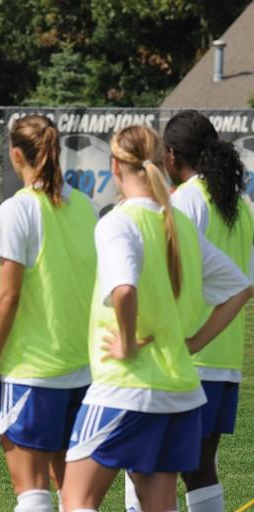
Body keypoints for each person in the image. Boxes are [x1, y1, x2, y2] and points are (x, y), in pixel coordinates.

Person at [61, 126, 250, 511]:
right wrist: (193, 343)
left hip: (126, 385)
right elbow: (241, 288)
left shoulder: (119, 221)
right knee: (158, 505)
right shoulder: (177, 224)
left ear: (115, 165)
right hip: (179, 389)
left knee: (76, 499)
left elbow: (125, 289)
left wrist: (128, 343)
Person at [123, 110, 253, 512]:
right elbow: (244, 285)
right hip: (224, 357)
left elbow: (162, 276)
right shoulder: (242, 206)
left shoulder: (182, 203)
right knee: (199, 467)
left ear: (172, 155)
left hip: (181, 357)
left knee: (142, 461)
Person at [0, 115, 97, 511]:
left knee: (32, 492)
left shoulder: (17, 210)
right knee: (75, 496)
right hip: (81, 368)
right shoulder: (87, 207)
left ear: (15, 154)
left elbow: (7, 297)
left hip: (31, 371)